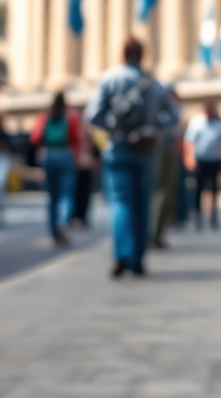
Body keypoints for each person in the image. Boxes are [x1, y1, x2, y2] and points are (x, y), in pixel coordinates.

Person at [85, 38, 177, 278]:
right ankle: (138, 259)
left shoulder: (109, 79)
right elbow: (174, 117)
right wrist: (154, 130)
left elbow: (93, 115)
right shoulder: (155, 84)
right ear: (142, 55)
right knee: (143, 202)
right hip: (146, 151)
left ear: (122, 54)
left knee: (121, 201)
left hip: (118, 149)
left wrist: (114, 128)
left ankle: (122, 254)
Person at [31, 92, 83, 247]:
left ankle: (54, 234)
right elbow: (76, 139)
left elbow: (35, 138)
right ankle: (63, 221)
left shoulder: (44, 116)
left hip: (48, 155)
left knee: (52, 197)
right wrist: (77, 160)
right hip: (65, 155)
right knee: (66, 194)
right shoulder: (71, 117)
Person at [184, 101, 221, 230]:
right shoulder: (196, 123)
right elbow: (189, 141)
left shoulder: (219, 124)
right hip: (200, 160)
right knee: (198, 188)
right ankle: (198, 214)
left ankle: (213, 214)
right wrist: (188, 157)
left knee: (214, 188)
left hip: (215, 160)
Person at [150, 94, 186, 250]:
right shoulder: (172, 110)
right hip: (166, 153)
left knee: (154, 193)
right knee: (163, 193)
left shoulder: (154, 106)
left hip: (152, 151)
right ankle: (155, 234)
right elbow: (175, 134)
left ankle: (151, 233)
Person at [70, 128, 101, 229]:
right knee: (83, 193)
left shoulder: (75, 131)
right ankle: (80, 217)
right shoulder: (88, 132)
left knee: (77, 192)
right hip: (85, 164)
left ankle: (75, 217)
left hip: (78, 165)